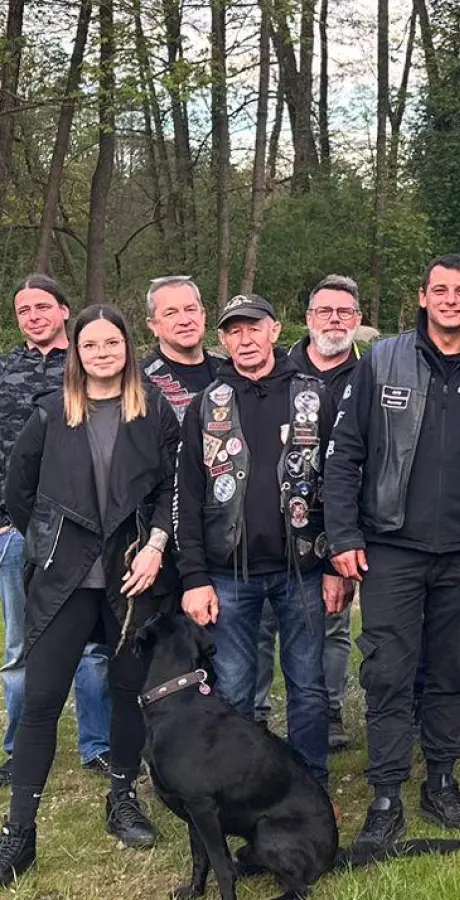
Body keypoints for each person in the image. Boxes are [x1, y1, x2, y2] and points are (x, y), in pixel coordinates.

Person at [323, 254, 460, 851]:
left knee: (449, 670)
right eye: (441, 289)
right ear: (423, 295)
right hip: (391, 549)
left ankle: (440, 779)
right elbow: (344, 456)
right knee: (387, 672)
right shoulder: (381, 362)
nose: (452, 299)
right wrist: (344, 536)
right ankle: (386, 796)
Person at [0, 305, 180, 883]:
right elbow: (20, 488)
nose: (102, 353)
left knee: (129, 693)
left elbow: (173, 486)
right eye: (91, 345)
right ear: (76, 352)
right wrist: (51, 543)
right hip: (65, 581)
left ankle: (122, 796)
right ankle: (19, 832)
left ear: (128, 347)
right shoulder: (51, 413)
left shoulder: (154, 411)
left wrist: (154, 545)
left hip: (132, 577)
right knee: (43, 701)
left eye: (112, 343)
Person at [174, 293, 337, 791]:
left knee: (309, 687)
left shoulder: (313, 394)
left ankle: (310, 784)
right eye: (234, 331)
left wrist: (334, 562)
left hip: (303, 570)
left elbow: (339, 482)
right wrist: (194, 578)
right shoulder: (206, 404)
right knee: (234, 689)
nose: (245, 340)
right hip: (228, 574)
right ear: (222, 340)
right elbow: (188, 493)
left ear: (275, 330)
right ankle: (242, 786)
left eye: (254, 328)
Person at [0, 276, 111, 787]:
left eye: (43, 306)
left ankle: (98, 745)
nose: (33, 316)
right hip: (19, 528)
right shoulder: (5, 370)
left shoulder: (89, 361)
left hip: (84, 531)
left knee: (91, 646)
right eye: (23, 310)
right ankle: (19, 744)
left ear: (65, 311)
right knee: (22, 644)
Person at [255, 275, 364, 751]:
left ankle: (330, 709)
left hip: (340, 521)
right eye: (325, 311)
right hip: (271, 525)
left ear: (357, 322)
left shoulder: (372, 374)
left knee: (333, 619)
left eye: (344, 312)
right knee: (260, 622)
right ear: (308, 319)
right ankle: (254, 714)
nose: (334, 320)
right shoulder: (277, 370)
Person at [142, 275, 221, 420]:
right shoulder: (140, 381)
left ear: (203, 315)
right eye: (171, 313)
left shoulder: (229, 369)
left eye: (190, 309)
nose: (184, 321)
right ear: (153, 325)